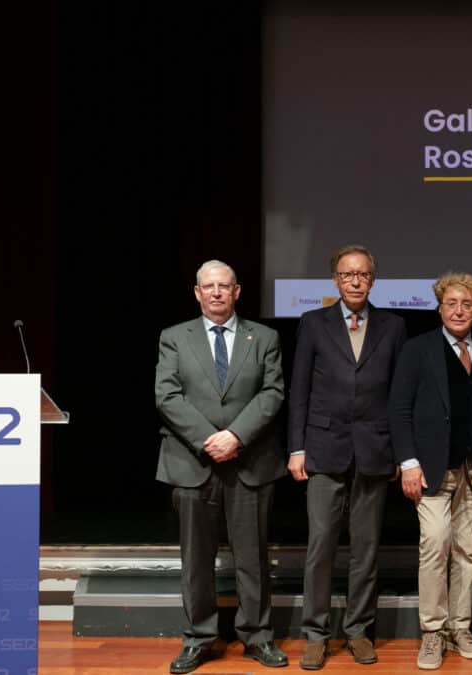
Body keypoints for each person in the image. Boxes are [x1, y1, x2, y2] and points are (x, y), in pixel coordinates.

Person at [154, 260, 288, 673]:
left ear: (237, 291)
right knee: (196, 560)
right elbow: (167, 395)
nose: (216, 292)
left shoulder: (263, 337)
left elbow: (272, 392)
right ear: (197, 293)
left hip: (249, 461)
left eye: (223, 286)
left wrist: (236, 436)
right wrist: (210, 440)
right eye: (208, 286)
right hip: (192, 462)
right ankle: (198, 639)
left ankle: (258, 637)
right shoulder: (174, 337)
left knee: (253, 558)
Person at [288, 245, 406, 670]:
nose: (355, 281)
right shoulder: (313, 323)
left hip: (374, 450)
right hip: (323, 450)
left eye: (362, 274)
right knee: (320, 547)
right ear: (335, 281)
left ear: (372, 280)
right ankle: (316, 634)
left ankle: (358, 631)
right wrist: (296, 448)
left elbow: (397, 395)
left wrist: (399, 451)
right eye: (346, 275)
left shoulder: (393, 326)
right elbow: (299, 389)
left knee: (366, 550)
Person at [389, 271, 472, 670]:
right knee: (435, 546)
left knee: (468, 552)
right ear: (439, 307)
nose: (459, 310)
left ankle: (461, 627)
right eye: (452, 303)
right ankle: (432, 632)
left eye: (467, 304)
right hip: (431, 470)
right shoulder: (418, 350)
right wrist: (407, 462)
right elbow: (399, 409)